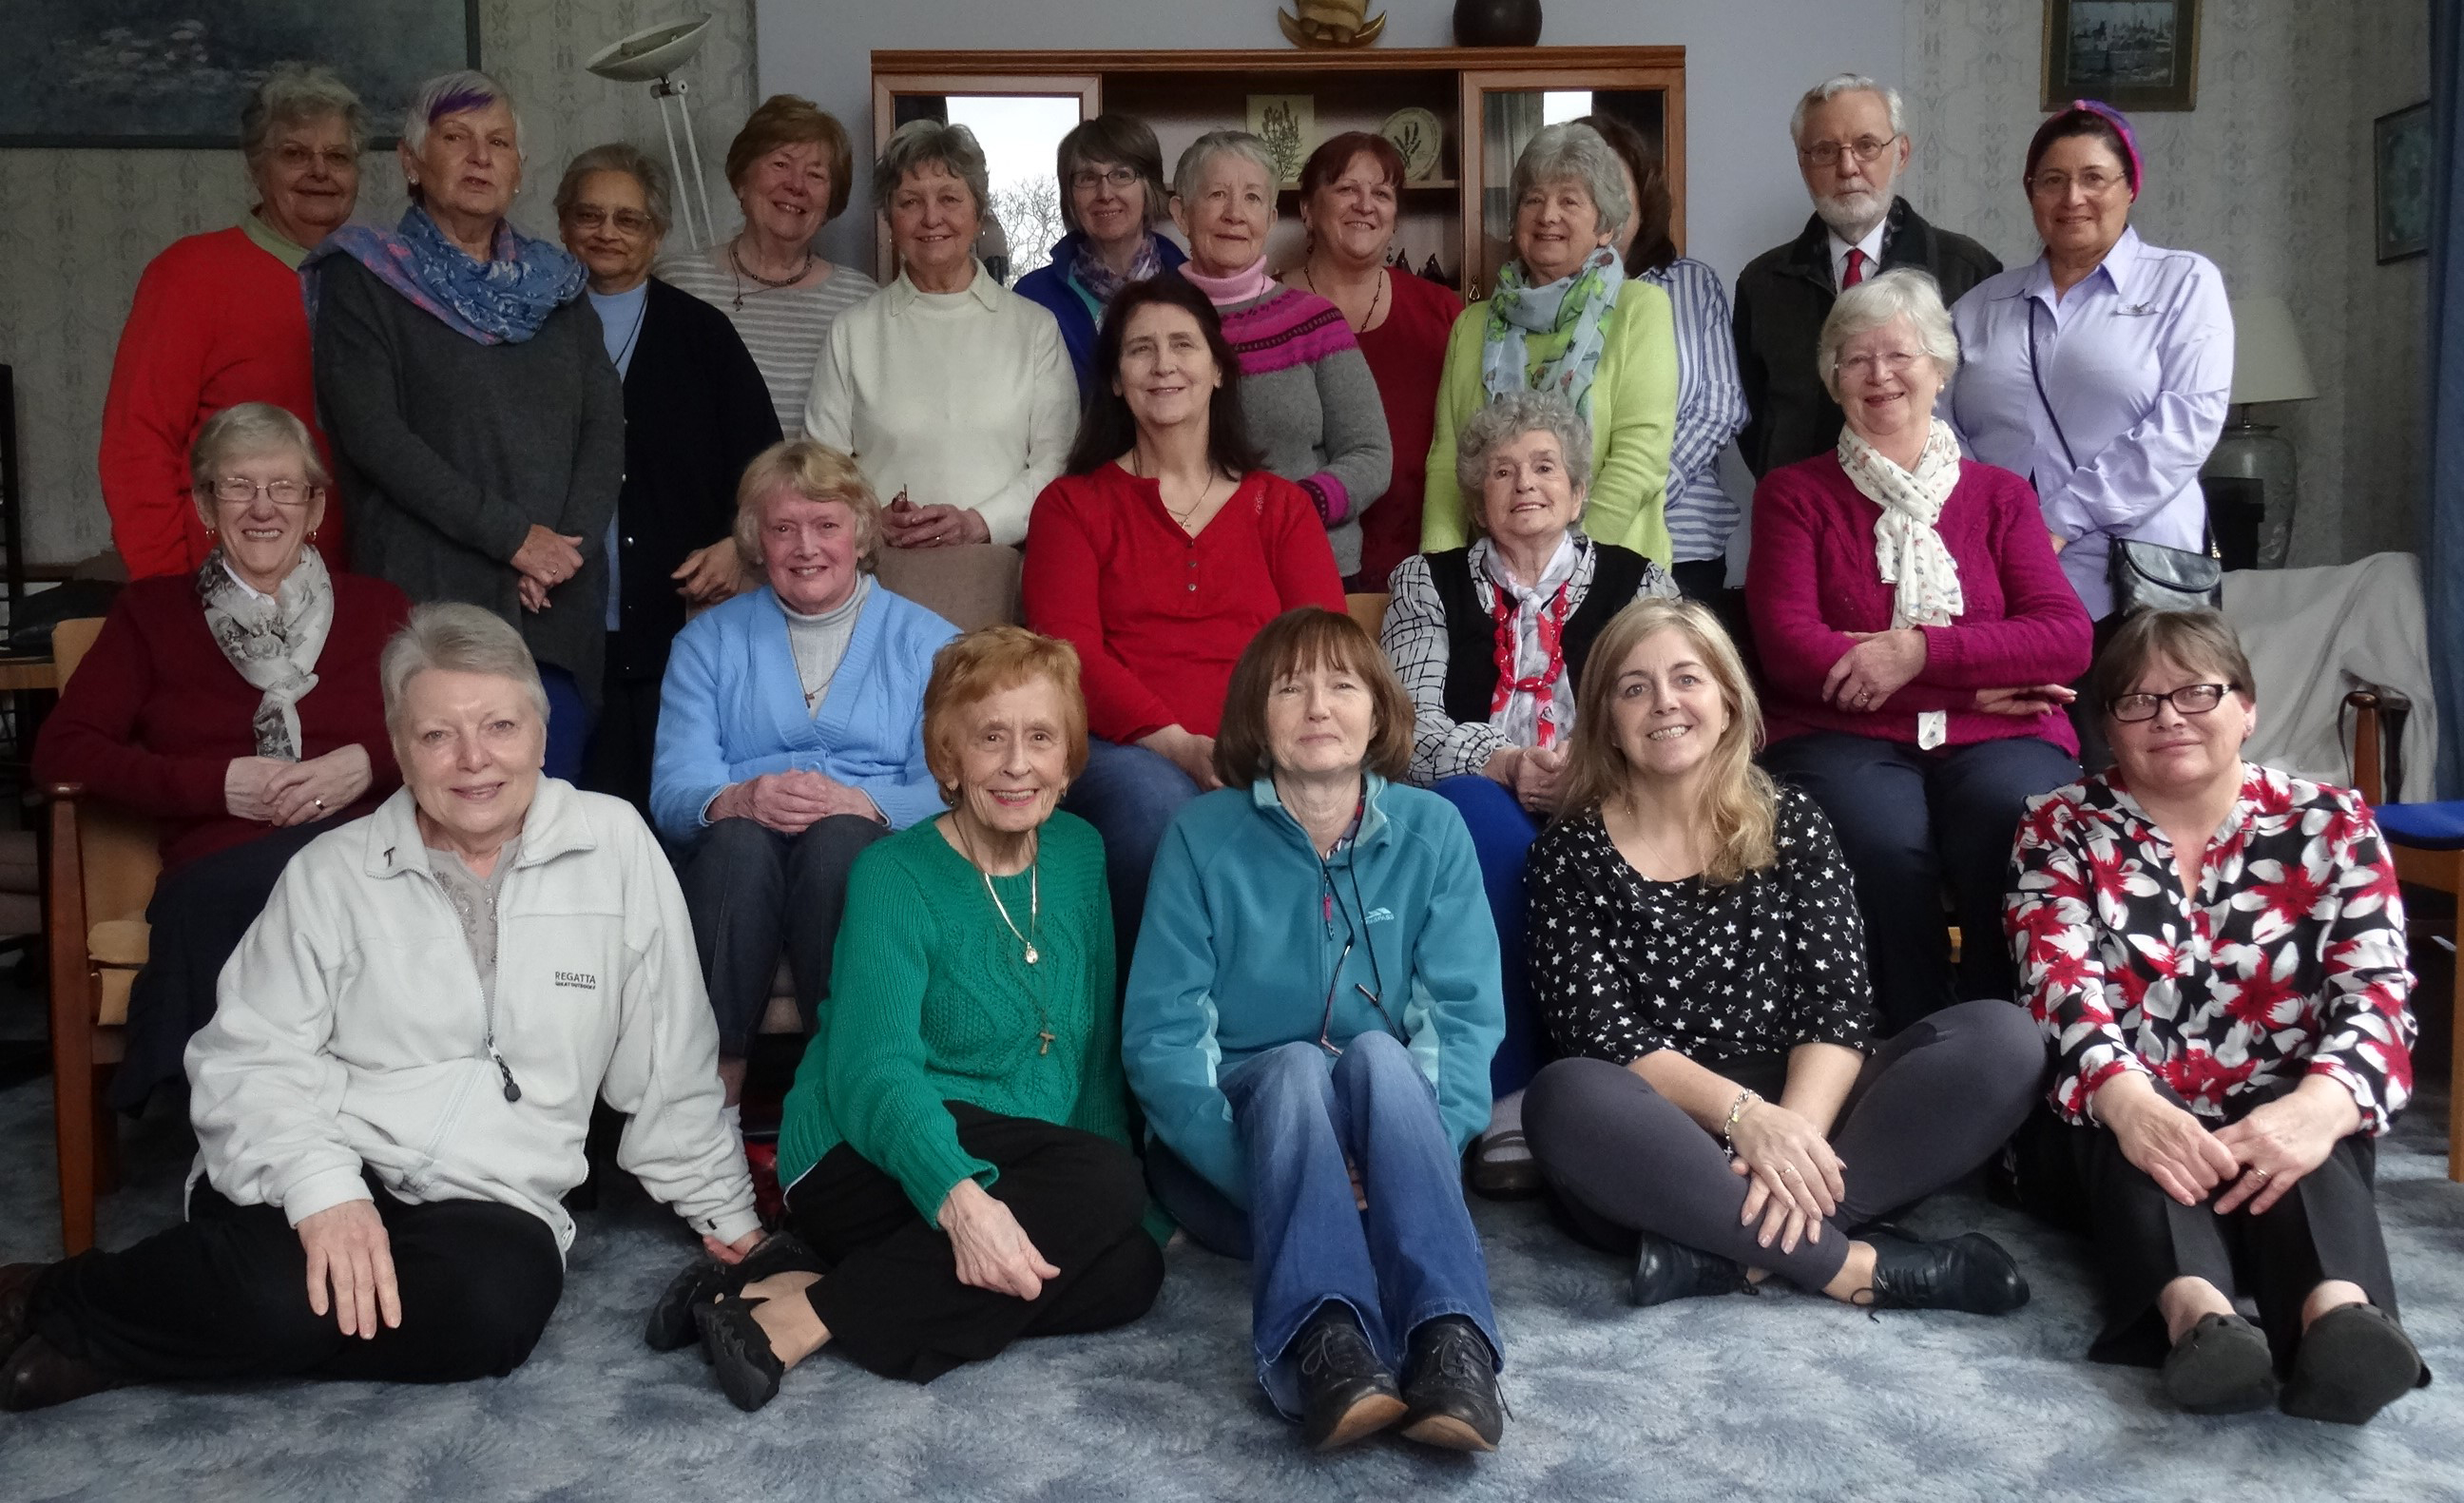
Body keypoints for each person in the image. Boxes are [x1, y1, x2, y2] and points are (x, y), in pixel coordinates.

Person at [0, 605, 759, 1412]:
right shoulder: (331, 871)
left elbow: (670, 1050)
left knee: (494, 1314)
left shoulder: (614, 845)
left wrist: (728, 1208)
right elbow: (247, 1061)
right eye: (437, 735)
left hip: (493, 1193)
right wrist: (326, 1191)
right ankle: (66, 1302)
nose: (473, 759)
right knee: (280, 1291)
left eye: (500, 726)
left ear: (542, 733)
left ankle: (164, 1325)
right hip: (318, 1149)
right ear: (399, 747)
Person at [670, 627, 1165, 1410]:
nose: (1017, 763)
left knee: (1132, 1269)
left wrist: (1109, 1208)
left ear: (1069, 759)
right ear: (948, 757)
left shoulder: (1081, 853)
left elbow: (1094, 1051)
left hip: (1014, 1157)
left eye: (1041, 737)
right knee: (1101, 1189)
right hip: (862, 1148)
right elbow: (875, 1074)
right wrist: (959, 1201)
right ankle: (799, 1321)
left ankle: (802, 1281)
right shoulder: (893, 872)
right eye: (990, 737)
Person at [1518, 598, 2044, 1320]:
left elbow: (1837, 1006)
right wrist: (1744, 1120)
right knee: (1565, 1095)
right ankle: (1847, 1263)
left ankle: (1728, 1249)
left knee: (2004, 1038)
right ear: (1607, 720)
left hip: (1813, 1110)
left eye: (1687, 678)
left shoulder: (1792, 820)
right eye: (1634, 688)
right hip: (1660, 1129)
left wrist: (1791, 1133)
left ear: (1729, 702)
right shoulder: (1566, 854)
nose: (1664, 701)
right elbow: (1603, 1034)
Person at [2006, 609, 2426, 1423]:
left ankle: (2340, 1319)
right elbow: (2057, 985)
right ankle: (2199, 1320)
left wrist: (2320, 1106)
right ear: (2108, 729)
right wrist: (2129, 1099)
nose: (2168, 717)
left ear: (2247, 707)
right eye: (2137, 701)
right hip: (2122, 1115)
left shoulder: (2333, 822)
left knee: (2309, 1125)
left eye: (2197, 692)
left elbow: (2378, 994)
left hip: (2282, 1116)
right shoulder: (2059, 824)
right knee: (2137, 1129)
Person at [1124, 609, 1509, 1454]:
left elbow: (1462, 1021)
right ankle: (1325, 1347)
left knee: (1380, 1054)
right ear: (1255, 717)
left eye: (1342, 685)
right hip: (1236, 1167)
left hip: (1392, 1164)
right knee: (1294, 1064)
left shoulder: (1435, 831)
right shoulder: (1199, 836)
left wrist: (1408, 1164)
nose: (1318, 707)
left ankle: (1451, 1343)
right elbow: (1163, 1040)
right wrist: (1291, 1178)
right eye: (1289, 689)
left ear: (1378, 710)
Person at [32, 402, 411, 1108]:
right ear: (207, 505)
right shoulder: (150, 616)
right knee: (255, 893)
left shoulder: (380, 607)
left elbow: (444, 732)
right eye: (238, 485)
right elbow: (62, 750)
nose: (263, 507)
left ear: (315, 506)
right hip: (223, 863)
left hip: (365, 850)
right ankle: (254, 1123)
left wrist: (367, 762)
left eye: (284, 487)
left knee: (362, 884)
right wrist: (217, 785)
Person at [1747, 270, 2091, 1033]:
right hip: (1844, 737)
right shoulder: (1793, 495)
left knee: (2011, 816)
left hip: (2002, 739)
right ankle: (1912, 1047)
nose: (1880, 375)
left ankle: (2012, 1041)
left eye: (1899, 354)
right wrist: (1970, 685)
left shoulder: (2002, 496)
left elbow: (2065, 637)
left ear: (1939, 368)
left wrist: (1914, 653)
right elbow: (1791, 650)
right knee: (1879, 839)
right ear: (1833, 379)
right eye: (1856, 358)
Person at [1379, 391, 1674, 1189]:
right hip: (1478, 798)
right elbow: (1404, 727)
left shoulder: (1639, 581)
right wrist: (1504, 762)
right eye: (1503, 472)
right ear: (1479, 502)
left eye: (1545, 467)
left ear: (1578, 493)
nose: (1525, 485)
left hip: (1606, 787)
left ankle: (1630, 1088)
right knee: (1480, 820)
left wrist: (1591, 767)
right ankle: (1509, 1095)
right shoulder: (1425, 582)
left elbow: (1670, 706)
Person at [309, 69, 623, 783]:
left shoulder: (558, 284)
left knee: (549, 816)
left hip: (554, 605)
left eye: (499, 142)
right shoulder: (364, 277)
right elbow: (375, 438)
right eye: (456, 138)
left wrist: (561, 553)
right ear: (411, 161)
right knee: (446, 812)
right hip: (431, 599)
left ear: (519, 169)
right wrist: (516, 541)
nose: (481, 157)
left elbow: (604, 424)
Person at [1023, 277, 1345, 959]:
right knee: (1158, 808)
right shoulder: (1071, 505)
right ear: (1116, 381)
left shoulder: (1280, 506)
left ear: (1218, 368)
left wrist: (1258, 747)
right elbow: (1069, 657)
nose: (1163, 364)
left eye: (1182, 345)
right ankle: (1158, 1018)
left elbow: (1320, 650)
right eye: (1140, 349)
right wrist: (1178, 746)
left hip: (1267, 743)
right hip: (1125, 752)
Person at [651, 439, 958, 1127]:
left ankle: (842, 1086)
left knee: (839, 843)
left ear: (861, 534)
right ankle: (712, 1104)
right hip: (739, 856)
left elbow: (953, 786)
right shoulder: (707, 642)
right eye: (784, 527)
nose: (806, 546)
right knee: (736, 842)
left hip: (868, 852)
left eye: (826, 524)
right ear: (756, 540)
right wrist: (737, 797)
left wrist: (864, 803)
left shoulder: (932, 645)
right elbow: (674, 788)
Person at [1949, 101, 2233, 765]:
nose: (2072, 197)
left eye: (2094, 178)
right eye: (2052, 180)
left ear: (2131, 187)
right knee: (2033, 768)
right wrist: (1986, 521)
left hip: (2142, 581)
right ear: (2030, 193)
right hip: (2010, 587)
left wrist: (2055, 522)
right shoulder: (1980, 306)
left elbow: (2185, 425)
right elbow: (1938, 427)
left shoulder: (2183, 282)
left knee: (2154, 765)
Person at [552, 144, 781, 811]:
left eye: (628, 219)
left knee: (670, 808)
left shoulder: (702, 335)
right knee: (571, 810)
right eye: (589, 215)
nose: (607, 232)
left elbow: (766, 465)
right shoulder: (532, 328)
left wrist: (737, 546)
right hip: (560, 622)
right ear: (563, 224)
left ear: (656, 235)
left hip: (677, 623)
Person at [101, 65, 364, 577]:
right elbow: (136, 447)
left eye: (338, 156)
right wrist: (168, 589)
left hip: (359, 583)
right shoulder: (188, 275)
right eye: (294, 154)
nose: (320, 171)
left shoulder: (380, 278)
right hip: (224, 583)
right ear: (255, 167)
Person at [805, 121, 1075, 550]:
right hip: (879, 565)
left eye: (949, 198)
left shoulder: (1035, 329)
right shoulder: (852, 331)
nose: (931, 218)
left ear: (978, 212)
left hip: (1000, 565)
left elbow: (1056, 463)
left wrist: (978, 522)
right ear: (889, 218)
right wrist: (871, 520)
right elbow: (821, 468)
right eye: (910, 202)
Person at [1421, 123, 1679, 568]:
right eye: (1533, 200)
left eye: (1570, 201)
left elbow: (1639, 463)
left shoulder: (1641, 309)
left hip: (1612, 573)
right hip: (1488, 580)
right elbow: (1447, 465)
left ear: (1605, 226)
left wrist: (1563, 569)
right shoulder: (1472, 325)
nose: (1548, 215)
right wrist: (1438, 575)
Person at [1734, 74, 2002, 480]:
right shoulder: (1763, 283)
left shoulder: (1967, 270)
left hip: (1932, 505)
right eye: (1825, 151)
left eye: (1867, 146)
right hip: (1803, 504)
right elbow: (1752, 419)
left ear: (1901, 153)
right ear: (1803, 164)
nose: (1847, 168)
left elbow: (1988, 409)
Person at [1168, 130, 1393, 578]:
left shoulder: (1314, 322)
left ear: (1270, 219)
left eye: (1252, 198)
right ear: (1181, 214)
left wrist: (1294, 508)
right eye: (1217, 195)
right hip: (1186, 566)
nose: (1235, 214)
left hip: (1310, 560)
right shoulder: (1149, 321)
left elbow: (1370, 454)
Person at [1575, 113, 1750, 601]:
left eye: (1613, 184)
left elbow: (1721, 407)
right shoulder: (1543, 300)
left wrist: (1643, 487)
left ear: (1643, 196)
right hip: (1563, 541)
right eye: (1584, 187)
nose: (1602, 201)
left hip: (1683, 540)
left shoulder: (1692, 284)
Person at [1281, 131, 1463, 590]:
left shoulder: (1443, 312)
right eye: (1346, 189)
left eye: (1382, 194)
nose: (1365, 205)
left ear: (1395, 217)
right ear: (1307, 210)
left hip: (1422, 568)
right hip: (1294, 562)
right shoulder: (1265, 311)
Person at [655, 95, 878, 435]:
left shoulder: (861, 300)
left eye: (815, 175)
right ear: (742, 180)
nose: (796, 185)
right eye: (780, 164)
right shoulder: (676, 282)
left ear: (831, 202)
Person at [1014, 113, 1190, 400]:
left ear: (1149, 187)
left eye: (1121, 175)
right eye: (1087, 178)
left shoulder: (1192, 288)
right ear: (1069, 196)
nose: (1105, 193)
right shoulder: (1032, 298)